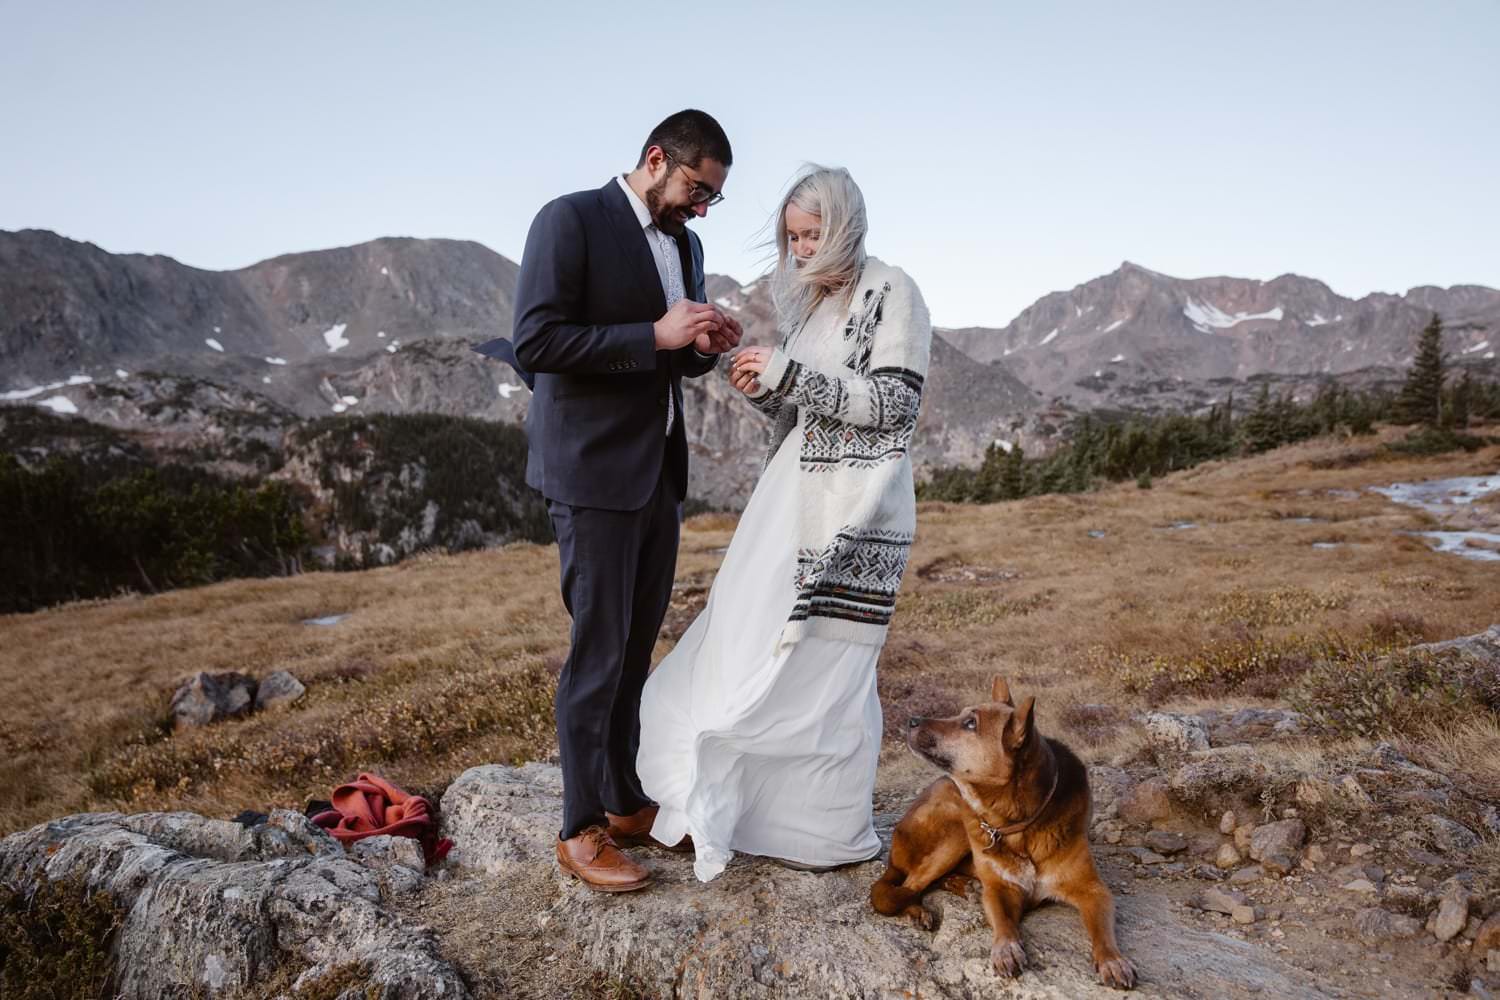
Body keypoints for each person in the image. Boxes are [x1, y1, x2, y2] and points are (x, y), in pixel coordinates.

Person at [636, 165, 933, 882]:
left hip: (855, 509)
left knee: (829, 667)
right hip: (789, 502)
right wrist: (763, 391)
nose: (801, 251)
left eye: (813, 235)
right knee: (749, 645)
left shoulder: (892, 291)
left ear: (846, 227)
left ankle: (821, 832)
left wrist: (791, 378)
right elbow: (805, 410)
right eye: (791, 237)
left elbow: (894, 406)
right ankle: (743, 811)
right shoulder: (810, 309)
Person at [506, 109, 742, 893]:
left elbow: (671, 357)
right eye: (697, 188)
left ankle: (622, 797)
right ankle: (577, 829)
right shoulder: (569, 220)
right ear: (655, 159)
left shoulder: (686, 244)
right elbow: (536, 344)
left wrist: (700, 345)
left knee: (635, 650)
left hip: (657, 476)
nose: (703, 207)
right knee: (597, 653)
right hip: (592, 476)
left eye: (712, 197)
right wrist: (655, 334)